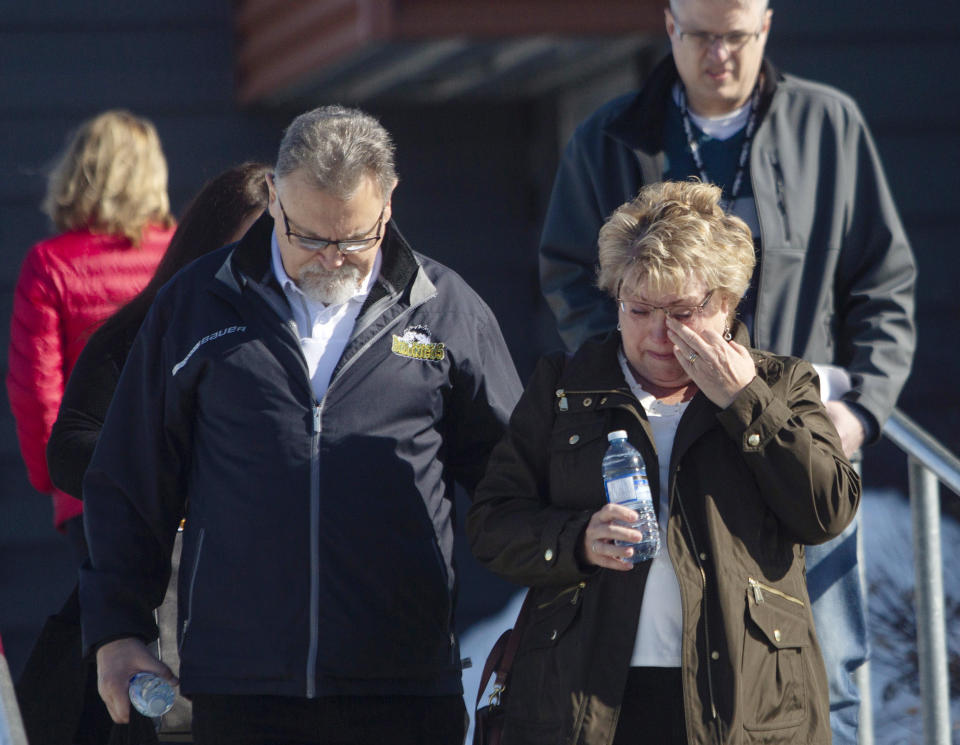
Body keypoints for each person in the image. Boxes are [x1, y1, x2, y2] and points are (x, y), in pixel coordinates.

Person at [79, 105, 522, 745]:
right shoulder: (197, 304)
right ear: (273, 198)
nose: (332, 259)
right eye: (308, 235)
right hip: (242, 687)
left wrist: (553, 585)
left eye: (354, 238)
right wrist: (117, 631)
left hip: (403, 684)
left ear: (389, 202)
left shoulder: (445, 309)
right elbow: (129, 480)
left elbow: (514, 477)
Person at [537, 1, 916, 739]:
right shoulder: (611, 137)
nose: (720, 54)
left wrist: (862, 409)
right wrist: (640, 376)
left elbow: (883, 284)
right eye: (702, 35)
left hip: (791, 444)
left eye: (736, 36)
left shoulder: (827, 125)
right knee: (674, 671)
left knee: (821, 671)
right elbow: (572, 276)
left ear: (765, 28)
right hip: (668, 452)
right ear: (670, 27)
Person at [468, 180, 861, 745]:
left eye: (681, 311)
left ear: (726, 303)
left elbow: (827, 511)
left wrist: (745, 401)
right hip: (587, 702)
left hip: (746, 705)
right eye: (639, 308)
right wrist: (576, 539)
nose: (657, 334)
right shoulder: (565, 387)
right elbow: (492, 524)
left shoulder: (782, 382)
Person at [11, 163, 272, 745]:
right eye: (248, 250)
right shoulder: (142, 329)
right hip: (156, 587)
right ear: (208, 244)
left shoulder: (303, 337)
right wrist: (165, 474)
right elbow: (67, 447)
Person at [6, 109, 175, 556]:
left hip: (90, 481)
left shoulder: (49, 263)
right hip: (176, 480)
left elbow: (36, 389)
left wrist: (54, 473)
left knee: (109, 617)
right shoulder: (182, 253)